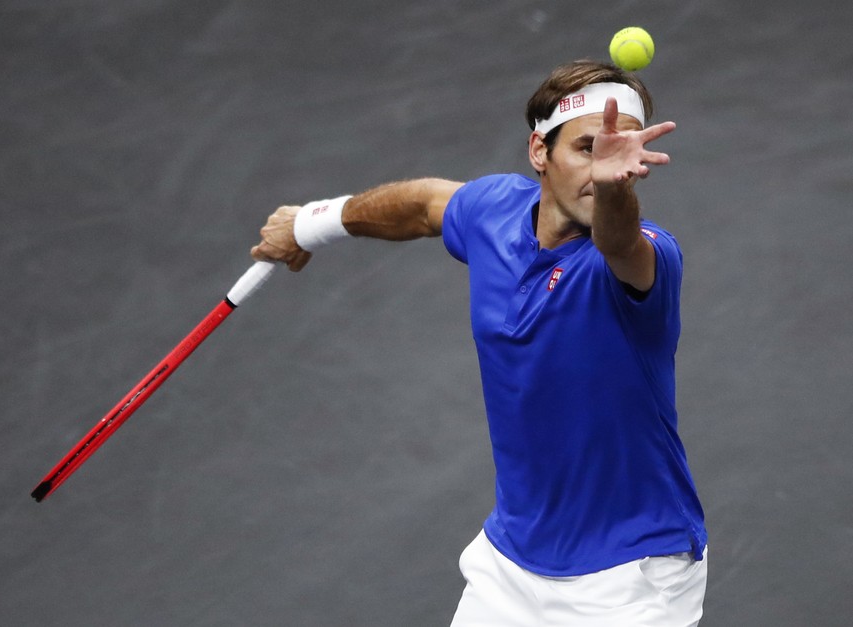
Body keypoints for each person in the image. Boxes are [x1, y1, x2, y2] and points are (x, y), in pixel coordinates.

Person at [251, 59, 708, 626]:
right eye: (587, 148)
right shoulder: (494, 211)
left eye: (620, 155)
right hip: (513, 564)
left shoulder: (647, 255)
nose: (604, 169)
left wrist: (615, 193)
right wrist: (311, 223)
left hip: (630, 579)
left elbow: (618, 240)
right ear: (539, 152)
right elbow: (423, 204)